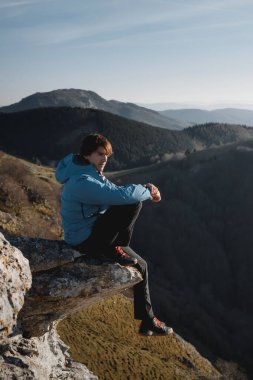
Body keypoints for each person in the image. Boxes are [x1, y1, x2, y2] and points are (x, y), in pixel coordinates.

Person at [55, 133, 173, 336]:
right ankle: (113, 248)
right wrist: (149, 190)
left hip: (95, 232)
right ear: (87, 155)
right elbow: (120, 196)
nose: (105, 159)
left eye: (107, 155)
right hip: (84, 240)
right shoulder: (81, 181)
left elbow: (115, 191)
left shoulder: (91, 173)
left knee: (141, 265)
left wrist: (145, 189)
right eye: (100, 154)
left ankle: (147, 321)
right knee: (132, 202)